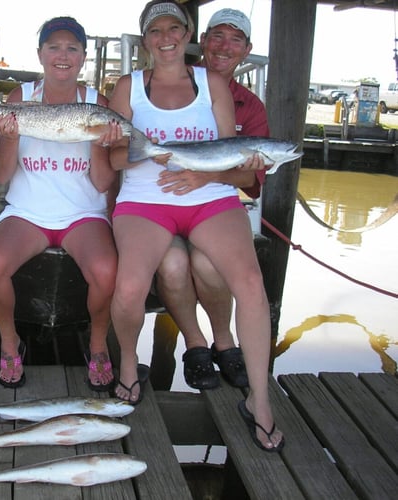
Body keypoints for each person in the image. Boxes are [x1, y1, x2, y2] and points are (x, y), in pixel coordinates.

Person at [108, 0, 284, 451]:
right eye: (155, 31)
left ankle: (259, 399)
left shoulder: (213, 85)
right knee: (128, 287)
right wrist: (146, 151)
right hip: (146, 200)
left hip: (210, 199)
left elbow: (236, 163)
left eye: (174, 28)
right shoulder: (128, 87)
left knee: (250, 282)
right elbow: (112, 160)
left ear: (188, 34)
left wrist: (203, 174)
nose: (166, 38)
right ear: (145, 39)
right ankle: (129, 364)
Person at [0, 16, 123, 390]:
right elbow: (3, 175)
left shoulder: (95, 102)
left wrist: (96, 137)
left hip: (82, 214)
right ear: (40, 53)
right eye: (54, 47)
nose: (63, 55)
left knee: (107, 270)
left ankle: (98, 342)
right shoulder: (20, 98)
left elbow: (104, 182)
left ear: (84, 56)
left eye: (72, 48)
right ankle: (10, 341)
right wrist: (8, 137)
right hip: (27, 212)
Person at [153, 8, 269, 391]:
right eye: (217, 35)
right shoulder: (165, 82)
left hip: (214, 209)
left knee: (207, 262)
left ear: (247, 49)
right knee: (172, 263)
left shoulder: (250, 107)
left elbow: (252, 179)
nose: (224, 46)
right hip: (161, 203)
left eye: (236, 39)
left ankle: (224, 341)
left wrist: (211, 175)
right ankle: (194, 343)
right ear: (201, 38)